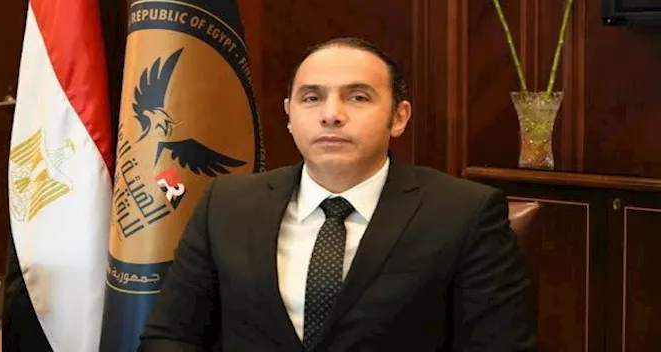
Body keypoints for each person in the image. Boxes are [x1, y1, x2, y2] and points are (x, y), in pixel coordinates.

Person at [139, 37, 537, 351]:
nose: (331, 114)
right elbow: (171, 337)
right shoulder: (227, 204)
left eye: (358, 97)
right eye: (311, 98)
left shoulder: (464, 214)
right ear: (289, 115)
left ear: (399, 117)